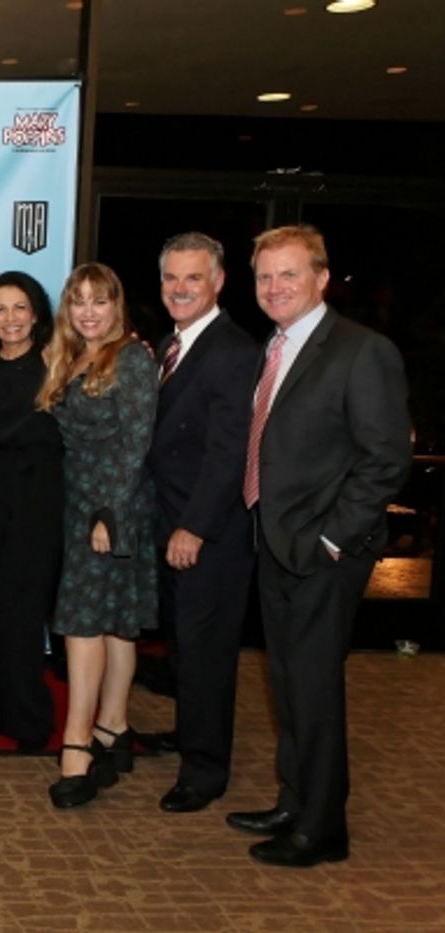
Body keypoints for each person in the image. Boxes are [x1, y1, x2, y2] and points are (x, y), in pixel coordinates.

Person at [229, 225, 411, 867]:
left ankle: (323, 829)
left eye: (289, 274)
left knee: (314, 685)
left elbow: (386, 459)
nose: (275, 287)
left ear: (321, 278)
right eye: (264, 276)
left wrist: (333, 538)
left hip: (323, 552)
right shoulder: (272, 349)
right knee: (286, 681)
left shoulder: (363, 351)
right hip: (274, 543)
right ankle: (295, 799)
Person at [36, 262, 159, 807]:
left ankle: (78, 742)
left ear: (117, 306)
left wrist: (110, 513)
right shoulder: (69, 357)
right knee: (114, 622)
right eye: (79, 300)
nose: (89, 310)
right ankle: (114, 726)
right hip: (77, 501)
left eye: (99, 300)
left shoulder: (130, 359)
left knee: (83, 622)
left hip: (113, 504)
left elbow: (136, 444)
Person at [145, 233, 259, 814]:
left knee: (207, 652)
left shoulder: (234, 350)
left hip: (206, 535)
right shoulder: (173, 343)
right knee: (184, 648)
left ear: (217, 282)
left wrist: (195, 527)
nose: (180, 288)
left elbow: (229, 451)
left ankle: (206, 770)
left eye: (193, 278)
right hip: (170, 526)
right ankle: (192, 735)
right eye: (171, 279)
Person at [0, 271, 62, 753]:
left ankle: (30, 717)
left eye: (19, 307)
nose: (10, 319)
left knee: (23, 608)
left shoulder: (54, 360)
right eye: (0, 310)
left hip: (39, 497)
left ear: (36, 313)